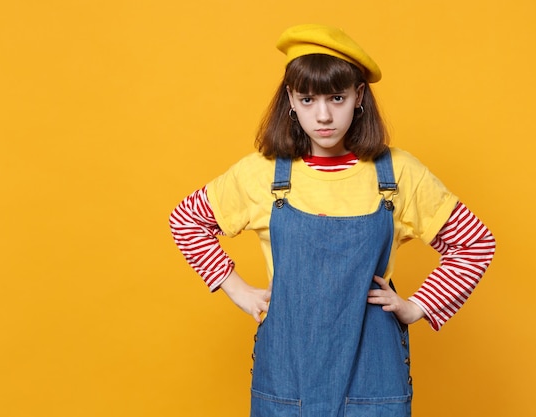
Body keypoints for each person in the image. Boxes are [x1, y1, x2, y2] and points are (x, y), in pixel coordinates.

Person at [170, 23, 496, 417]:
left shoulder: (396, 175)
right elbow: (187, 220)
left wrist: (419, 306)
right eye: (307, 100)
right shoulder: (263, 174)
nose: (323, 115)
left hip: (373, 381)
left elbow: (475, 243)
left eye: (336, 97)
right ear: (290, 98)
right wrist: (237, 289)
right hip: (287, 381)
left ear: (359, 96)